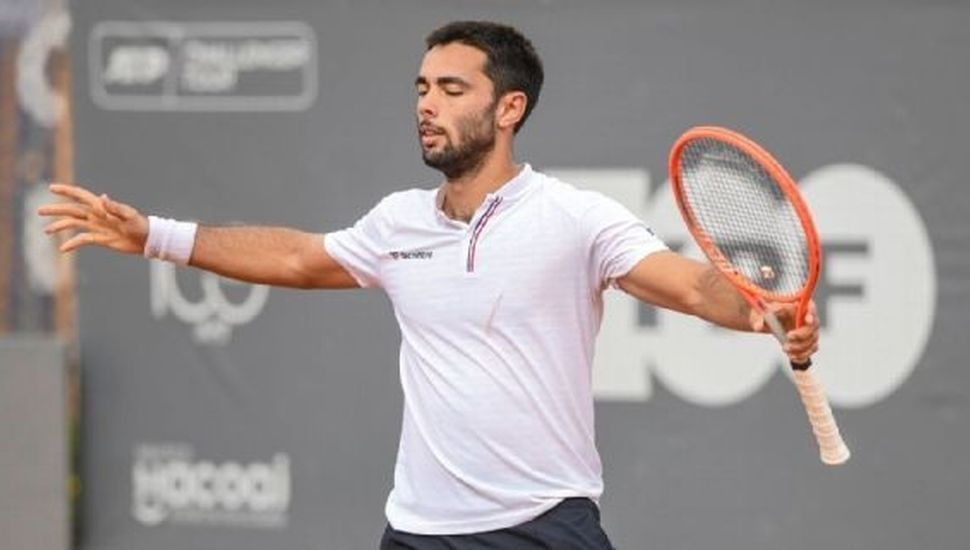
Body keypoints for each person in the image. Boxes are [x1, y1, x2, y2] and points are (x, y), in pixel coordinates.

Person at [40, 20, 819, 550]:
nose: (426, 105)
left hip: (541, 527)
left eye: (451, 89)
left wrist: (767, 317)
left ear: (508, 108)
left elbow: (690, 288)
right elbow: (300, 260)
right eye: (421, 88)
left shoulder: (574, 217)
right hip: (415, 531)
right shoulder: (398, 222)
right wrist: (154, 236)